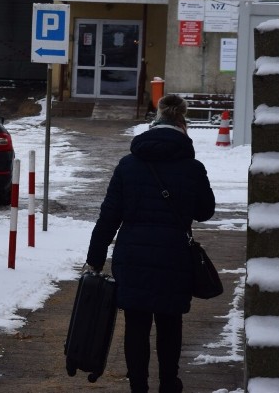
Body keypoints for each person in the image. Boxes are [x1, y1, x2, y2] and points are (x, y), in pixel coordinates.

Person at [85, 94, 216, 393]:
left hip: (132, 256)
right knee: (170, 323)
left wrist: (95, 257)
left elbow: (109, 217)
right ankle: (169, 384)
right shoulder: (192, 167)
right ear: (182, 124)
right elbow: (205, 211)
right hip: (174, 258)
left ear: (154, 122)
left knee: (136, 324)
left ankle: (139, 387)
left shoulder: (128, 165)